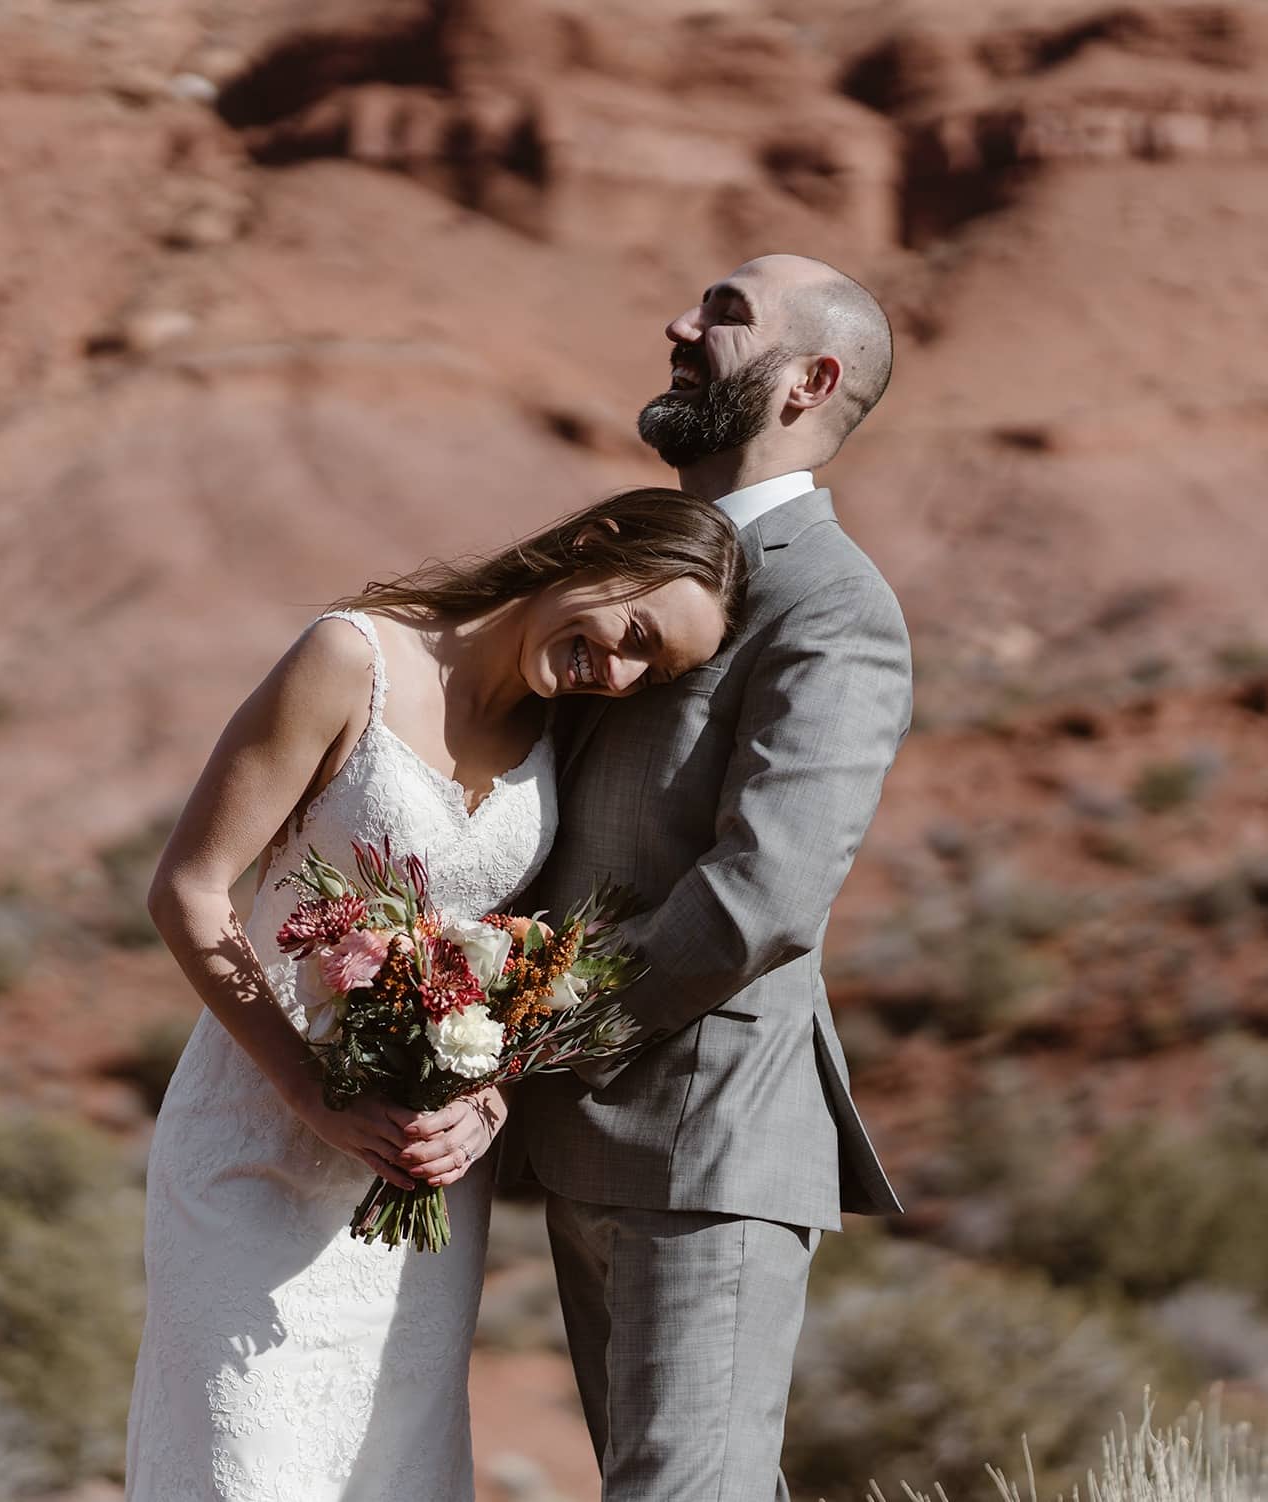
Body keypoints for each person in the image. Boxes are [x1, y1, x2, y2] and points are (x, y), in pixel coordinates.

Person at [123, 487, 746, 1501]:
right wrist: (306, 1088)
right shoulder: (350, 659)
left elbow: (528, 956)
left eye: (651, 670)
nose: (620, 672)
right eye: (631, 631)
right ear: (594, 547)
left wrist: (485, 1097)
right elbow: (188, 889)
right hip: (254, 1148)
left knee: (388, 1471)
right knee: (240, 1461)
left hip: (421, 1180)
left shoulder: (561, 732)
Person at [505, 254, 912, 1500]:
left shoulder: (833, 606)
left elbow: (765, 893)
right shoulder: (641, 552)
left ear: (811, 381)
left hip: (705, 1137)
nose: (676, 324)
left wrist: (528, 1035)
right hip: (588, 1131)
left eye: (724, 316)